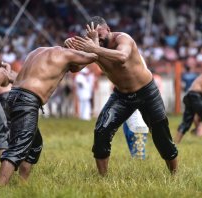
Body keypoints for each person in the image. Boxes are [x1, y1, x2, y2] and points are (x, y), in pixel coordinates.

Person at [66, 16, 178, 176]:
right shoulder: (95, 47)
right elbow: (75, 68)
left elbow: (122, 57)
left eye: (99, 33)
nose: (98, 37)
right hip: (121, 95)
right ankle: (102, 178)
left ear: (108, 30)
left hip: (146, 91)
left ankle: (174, 175)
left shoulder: (123, 39)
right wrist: (68, 48)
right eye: (93, 35)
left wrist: (95, 49)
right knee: (101, 130)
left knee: (161, 135)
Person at [0, 46, 98, 186]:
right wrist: (93, 41)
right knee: (18, 147)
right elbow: (93, 55)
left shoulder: (38, 52)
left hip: (13, 96)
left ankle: (22, 185)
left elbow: (75, 67)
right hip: (26, 101)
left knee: (34, 145)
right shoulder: (66, 54)